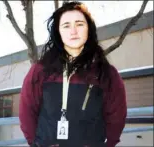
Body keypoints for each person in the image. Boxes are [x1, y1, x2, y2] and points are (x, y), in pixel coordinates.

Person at [19, 2, 127, 147]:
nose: (73, 31)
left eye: (79, 24)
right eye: (66, 25)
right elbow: (27, 112)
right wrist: (36, 144)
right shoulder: (40, 71)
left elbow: (116, 118)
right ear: (58, 31)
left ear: (89, 29)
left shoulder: (107, 74)